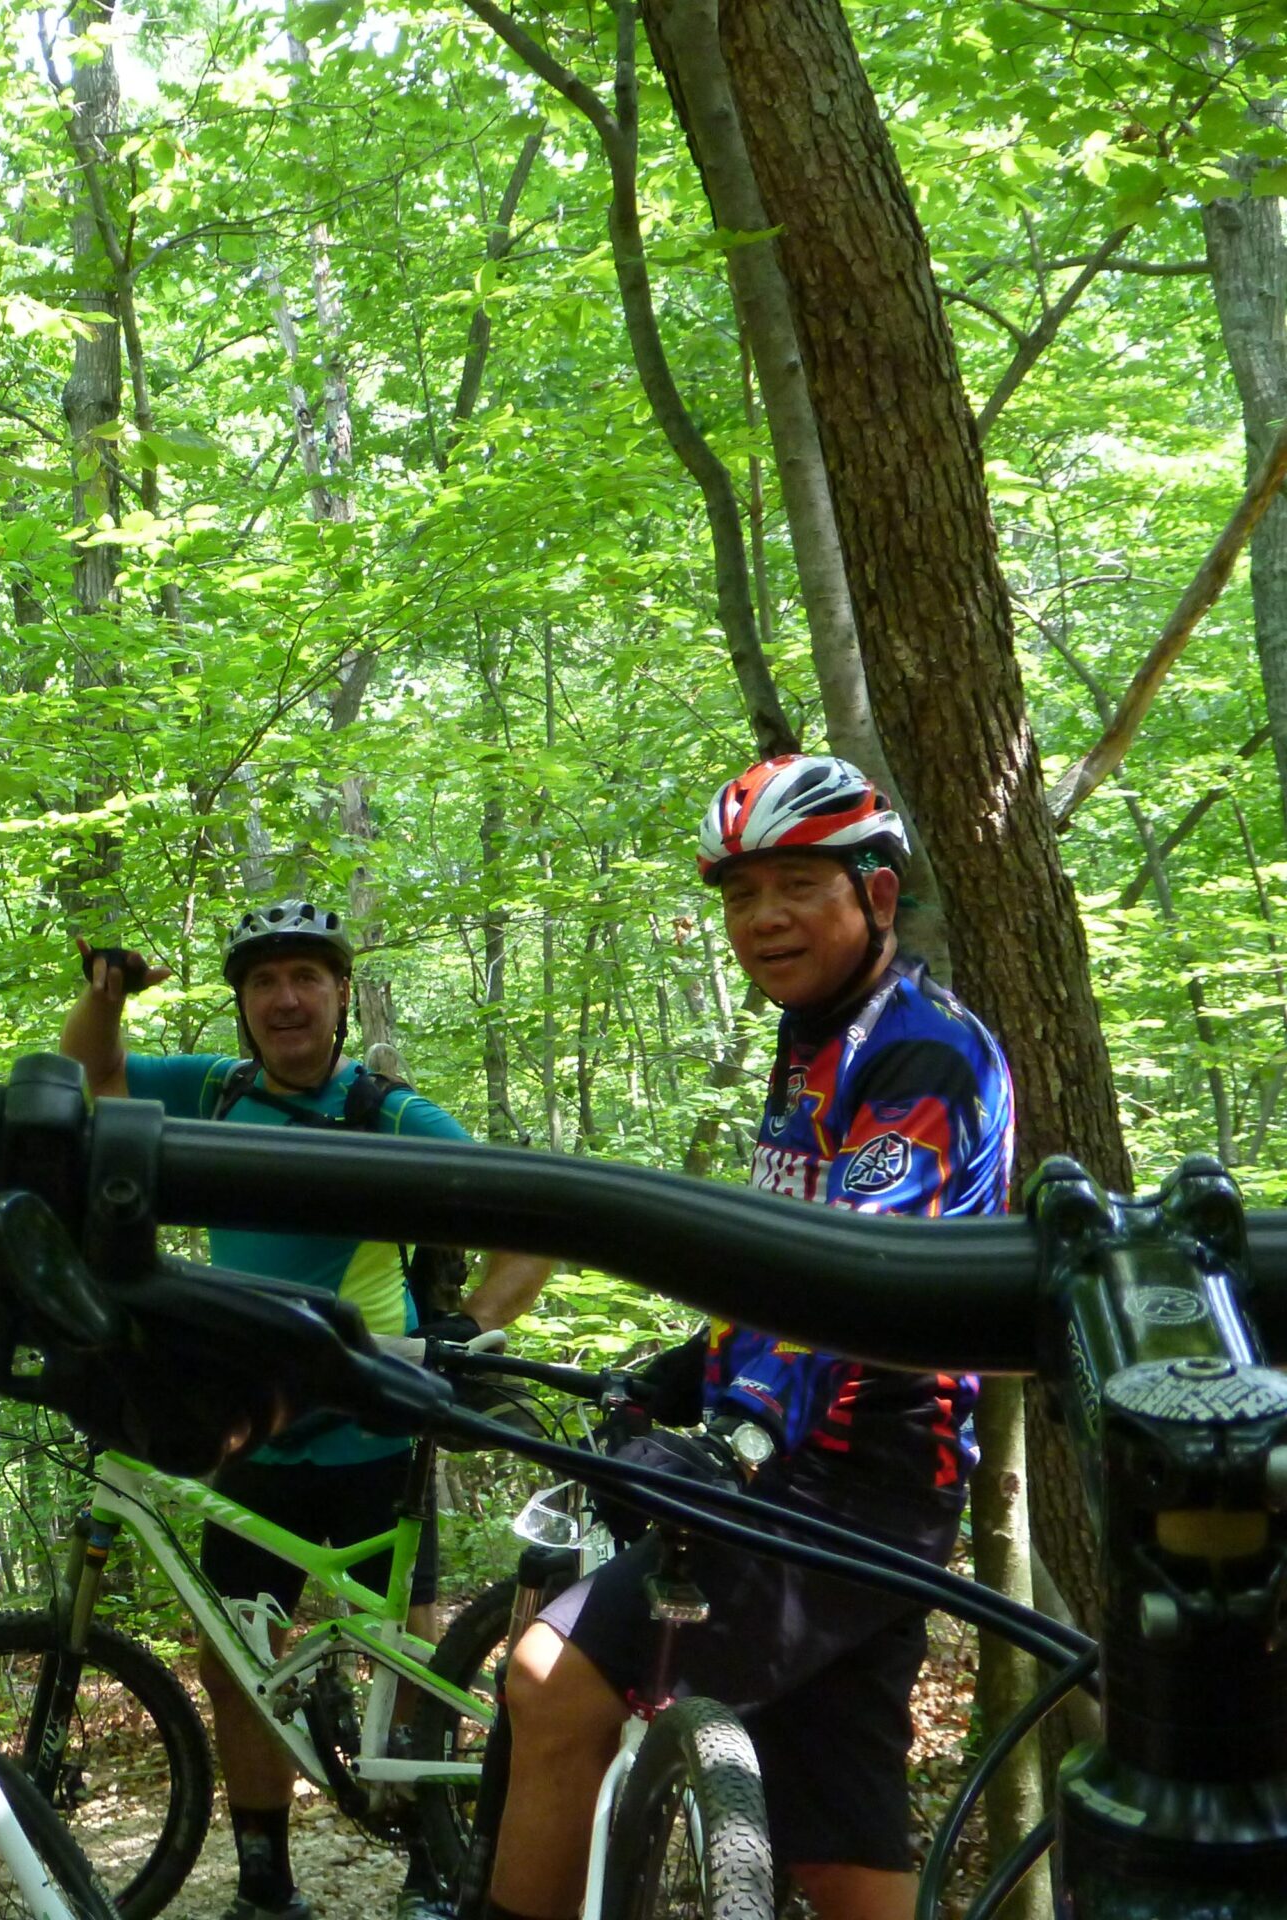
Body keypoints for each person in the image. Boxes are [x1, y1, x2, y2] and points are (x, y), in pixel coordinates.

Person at [486, 754, 1014, 1920]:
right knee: (840, 1850)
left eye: (795, 885)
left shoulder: (917, 1053)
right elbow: (789, 1249)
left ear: (874, 894)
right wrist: (699, 1365)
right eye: (739, 894)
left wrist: (736, 1435)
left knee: (546, 1684)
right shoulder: (816, 1039)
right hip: (855, 1480)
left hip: (845, 1481)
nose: (762, 918)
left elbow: (857, 1271)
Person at [59, 898, 556, 1920]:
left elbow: (534, 1222)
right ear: (243, 1005)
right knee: (236, 1657)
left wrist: (469, 1329)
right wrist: (103, 998)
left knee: (406, 1648)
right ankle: (264, 1881)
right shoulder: (212, 1088)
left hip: (374, 1425)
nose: (285, 999)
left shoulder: (391, 1116)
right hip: (255, 1427)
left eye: (305, 979)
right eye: (262, 982)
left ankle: (432, 1865)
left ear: (338, 995)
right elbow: (85, 1080)